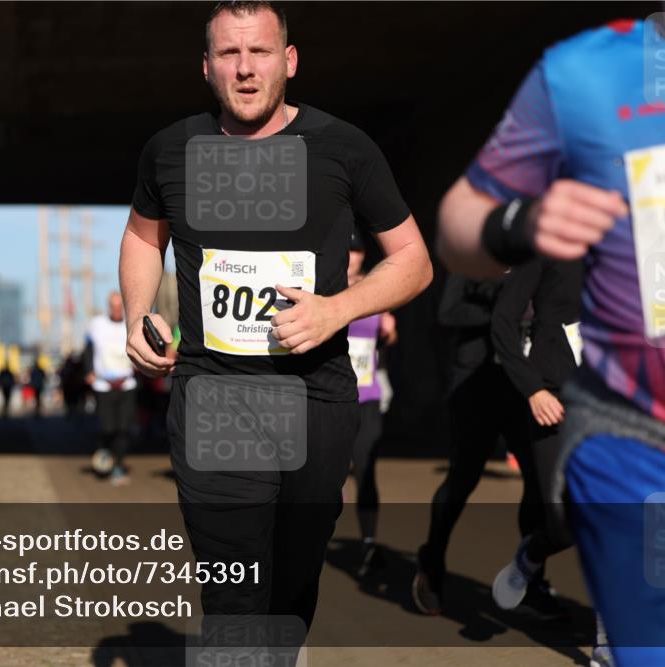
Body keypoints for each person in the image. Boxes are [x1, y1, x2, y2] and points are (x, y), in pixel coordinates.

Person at [120, 0, 431, 642]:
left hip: (316, 395)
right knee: (236, 603)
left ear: (288, 61)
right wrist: (138, 314)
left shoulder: (344, 149)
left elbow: (415, 261)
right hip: (215, 394)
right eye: (229, 54)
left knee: (290, 593)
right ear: (206, 67)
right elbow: (143, 237)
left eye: (259, 51)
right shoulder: (172, 150)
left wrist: (336, 309)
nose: (244, 69)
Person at [435, 8, 665, 667]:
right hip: (625, 423)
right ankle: (581, 600)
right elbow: (471, 249)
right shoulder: (587, 76)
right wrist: (518, 221)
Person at [411, 275, 547, 617]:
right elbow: (448, 312)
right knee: (464, 476)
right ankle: (432, 560)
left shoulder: (539, 259)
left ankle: (530, 579)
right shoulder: (474, 259)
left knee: (538, 480)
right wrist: (505, 311)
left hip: (524, 383)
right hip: (476, 384)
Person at [489, 257, 582, 613]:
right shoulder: (545, 248)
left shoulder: (622, 249)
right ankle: (531, 556)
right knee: (562, 526)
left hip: (608, 400)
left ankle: (607, 641)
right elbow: (503, 321)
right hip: (553, 398)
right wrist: (533, 389)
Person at [345, 227, 398, 578]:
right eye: (347, 250)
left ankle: (368, 543)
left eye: (358, 250)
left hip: (366, 396)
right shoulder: (321, 287)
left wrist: (389, 327)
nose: (353, 255)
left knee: (366, 469)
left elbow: (390, 336)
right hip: (330, 396)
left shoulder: (374, 290)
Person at [85, 291, 137, 486]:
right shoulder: (97, 324)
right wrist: (88, 370)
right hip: (103, 385)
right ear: (108, 306)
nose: (116, 309)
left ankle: (118, 466)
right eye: (112, 306)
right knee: (108, 428)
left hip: (126, 384)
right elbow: (88, 348)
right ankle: (103, 454)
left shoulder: (131, 322)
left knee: (123, 429)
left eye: (119, 306)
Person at [27, 353, 47, 418]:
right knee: (38, 398)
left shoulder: (33, 371)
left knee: (37, 398)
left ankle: (37, 411)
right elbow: (44, 377)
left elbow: (31, 377)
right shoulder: (40, 370)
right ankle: (38, 411)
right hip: (39, 385)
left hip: (36, 385)